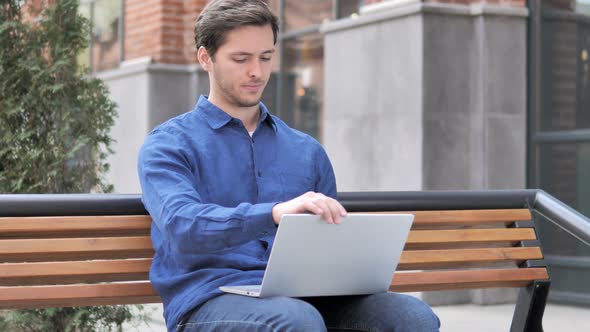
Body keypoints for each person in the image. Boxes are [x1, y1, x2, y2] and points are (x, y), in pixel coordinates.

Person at [138, 0, 440, 331]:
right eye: (241, 59)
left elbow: (328, 244)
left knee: (412, 317)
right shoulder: (168, 144)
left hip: (306, 297)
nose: (257, 71)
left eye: (266, 57)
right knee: (297, 320)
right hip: (209, 298)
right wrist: (273, 214)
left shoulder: (306, 150)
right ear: (206, 58)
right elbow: (182, 226)